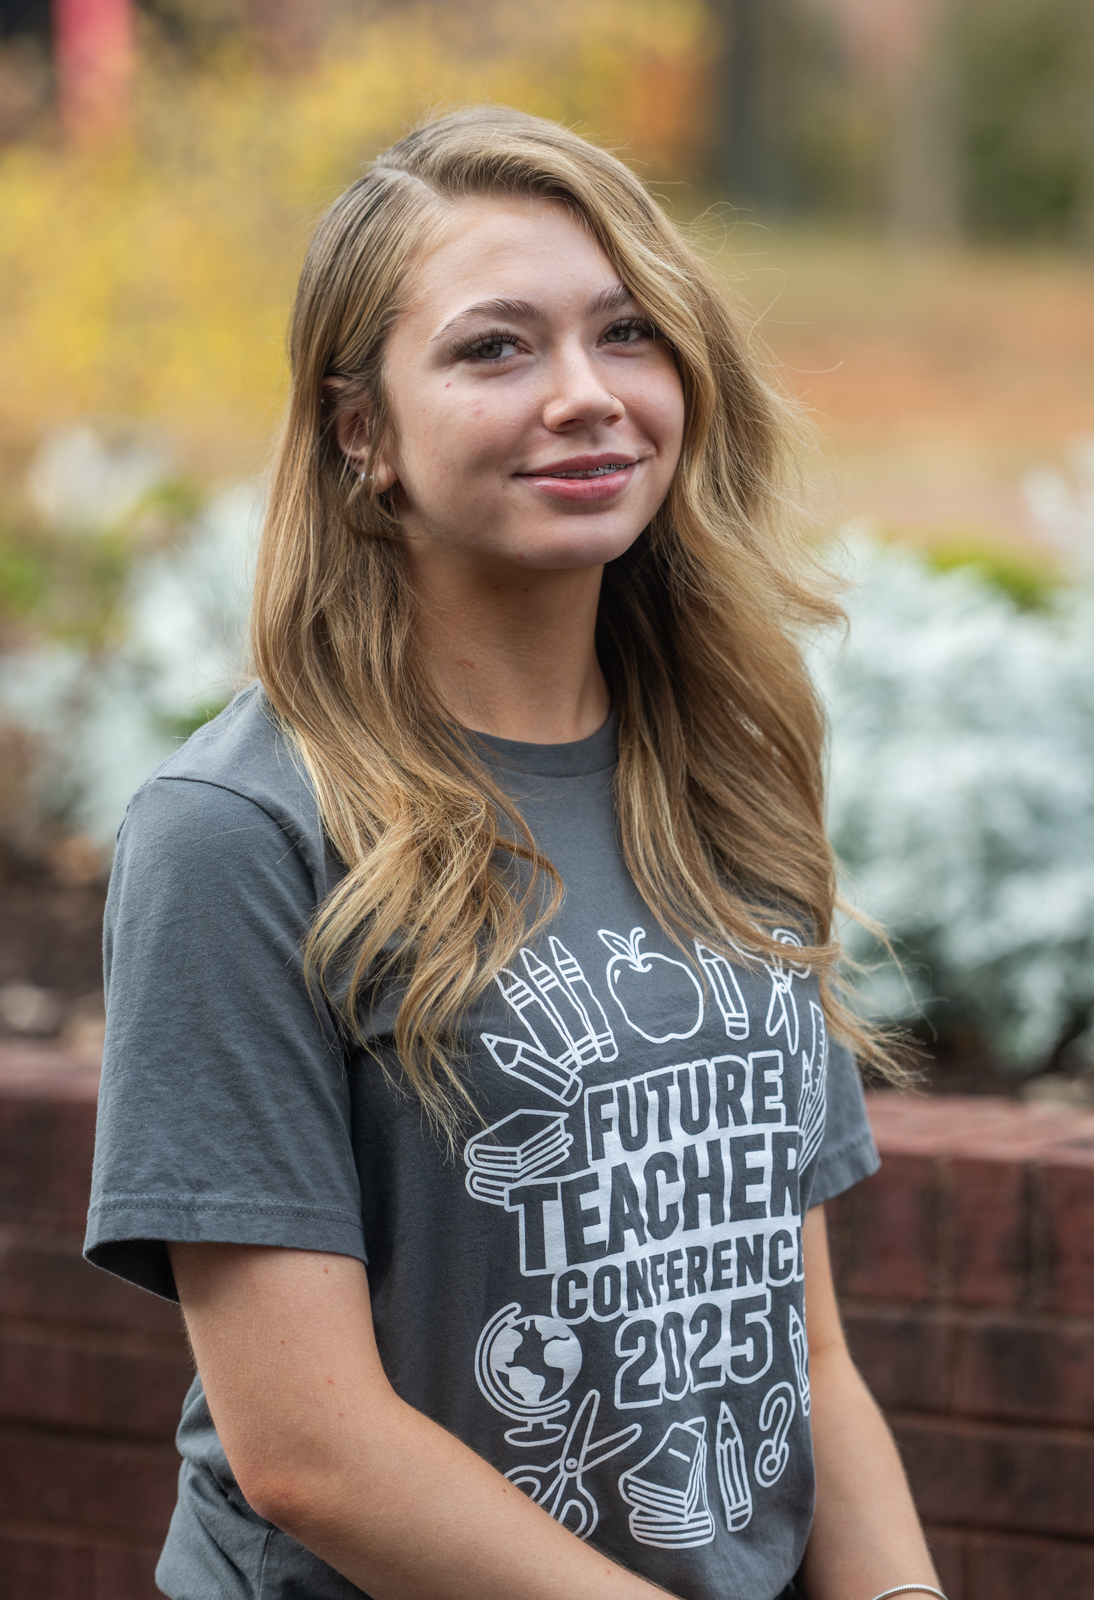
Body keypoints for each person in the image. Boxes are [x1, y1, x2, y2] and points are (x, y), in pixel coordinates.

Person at [85, 107, 944, 1600]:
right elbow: (310, 1451)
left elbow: (791, 1344)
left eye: (626, 334)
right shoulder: (241, 831)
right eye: (494, 349)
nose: (585, 396)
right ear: (363, 434)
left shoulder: (723, 778)